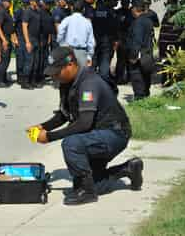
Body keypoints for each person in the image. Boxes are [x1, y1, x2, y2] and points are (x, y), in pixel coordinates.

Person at [29, 46, 143, 205]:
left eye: (56, 72)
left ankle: (87, 193)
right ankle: (128, 169)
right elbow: (64, 114)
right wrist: (43, 127)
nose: (54, 76)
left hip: (114, 134)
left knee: (71, 144)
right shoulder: (67, 82)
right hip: (96, 135)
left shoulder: (88, 83)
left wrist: (49, 137)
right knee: (95, 183)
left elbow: (84, 123)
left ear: (70, 65)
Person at [126, 0, 155, 100]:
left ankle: (140, 98)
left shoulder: (138, 22)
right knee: (146, 75)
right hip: (147, 53)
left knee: (137, 75)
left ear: (135, 9)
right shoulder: (148, 21)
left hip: (139, 55)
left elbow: (137, 40)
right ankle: (146, 95)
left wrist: (133, 56)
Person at [57, 0, 95, 68]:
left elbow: (60, 32)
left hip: (69, 52)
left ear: (72, 9)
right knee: (82, 75)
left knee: (69, 74)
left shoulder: (67, 19)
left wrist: (62, 44)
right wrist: (90, 56)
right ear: (83, 10)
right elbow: (91, 41)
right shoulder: (87, 22)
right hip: (82, 52)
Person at [92, 0, 119, 82]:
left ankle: (91, 78)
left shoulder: (95, 11)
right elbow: (114, 27)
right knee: (105, 61)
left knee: (95, 59)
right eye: (113, 1)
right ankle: (103, 80)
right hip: (107, 40)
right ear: (108, 1)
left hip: (95, 39)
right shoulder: (110, 12)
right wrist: (116, 40)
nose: (115, 3)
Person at [0, 0, 16, 88]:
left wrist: (13, 39)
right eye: (9, 2)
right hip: (3, 38)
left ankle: (3, 78)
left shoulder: (7, 12)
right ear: (4, 2)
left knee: (6, 59)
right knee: (3, 59)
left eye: (10, 2)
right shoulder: (1, 12)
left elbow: (10, 27)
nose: (10, 3)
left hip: (7, 37)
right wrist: (3, 40)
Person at [21, 0, 41, 89]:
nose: (37, 2)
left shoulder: (37, 11)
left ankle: (33, 81)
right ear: (31, 1)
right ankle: (25, 82)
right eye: (36, 1)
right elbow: (24, 26)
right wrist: (27, 41)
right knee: (29, 61)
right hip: (30, 38)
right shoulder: (27, 12)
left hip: (36, 39)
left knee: (36, 62)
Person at [115, 0, 134, 84]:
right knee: (121, 60)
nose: (126, 4)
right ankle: (119, 78)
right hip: (121, 38)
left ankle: (129, 78)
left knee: (128, 60)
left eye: (127, 2)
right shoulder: (118, 12)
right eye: (124, 2)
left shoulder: (131, 12)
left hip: (129, 39)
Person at [38, 0, 55, 83]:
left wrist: (49, 38)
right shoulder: (39, 12)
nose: (49, 5)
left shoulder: (49, 13)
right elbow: (38, 27)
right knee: (40, 57)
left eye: (50, 3)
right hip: (40, 37)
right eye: (47, 3)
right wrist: (40, 39)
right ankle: (39, 76)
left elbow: (50, 27)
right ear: (43, 3)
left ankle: (44, 73)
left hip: (47, 37)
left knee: (46, 57)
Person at [14, 0, 29, 85]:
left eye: (27, 3)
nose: (26, 5)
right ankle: (19, 77)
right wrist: (15, 38)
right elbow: (13, 26)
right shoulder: (19, 12)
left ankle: (24, 76)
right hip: (19, 36)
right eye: (25, 3)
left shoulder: (29, 12)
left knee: (26, 58)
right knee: (20, 58)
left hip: (26, 37)